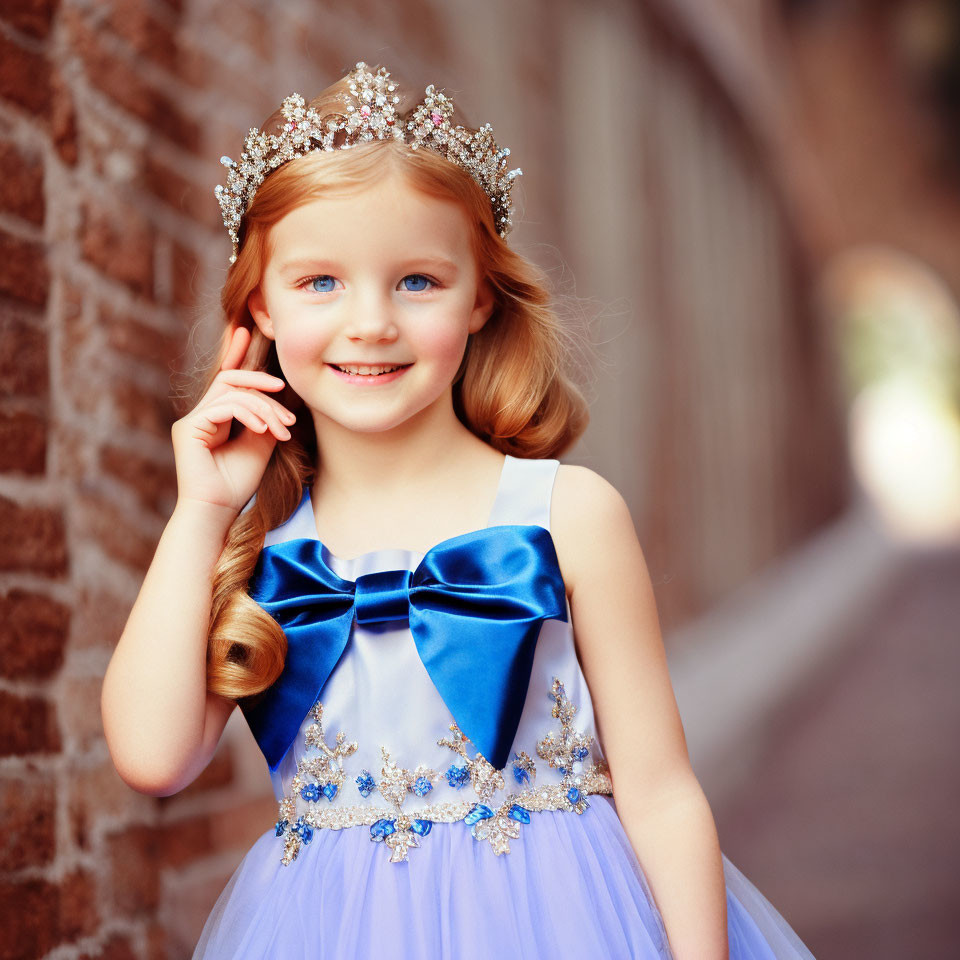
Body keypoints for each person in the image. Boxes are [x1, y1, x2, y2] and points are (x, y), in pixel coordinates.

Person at [101, 61, 817, 960]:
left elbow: (663, 788)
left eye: (417, 282)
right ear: (259, 311)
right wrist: (201, 511)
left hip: (563, 923)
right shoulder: (256, 541)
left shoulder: (567, 513)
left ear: (479, 297)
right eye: (319, 282)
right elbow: (151, 757)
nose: (370, 322)